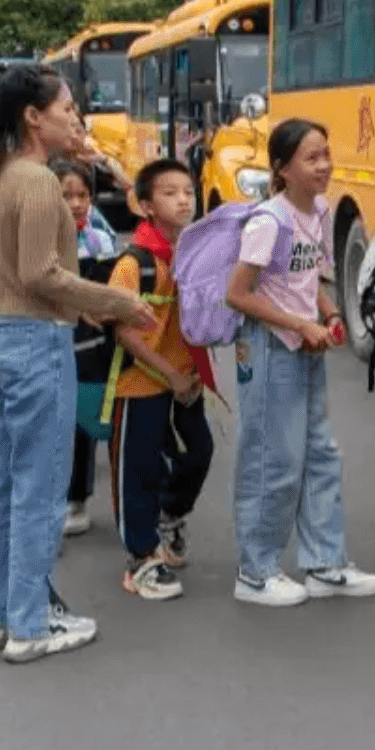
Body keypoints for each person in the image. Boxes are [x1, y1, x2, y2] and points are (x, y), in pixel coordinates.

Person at [0, 61, 155, 664]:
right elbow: (41, 274)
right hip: (35, 343)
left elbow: (22, 273)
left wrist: (86, 305)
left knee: (6, 488)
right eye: (66, 107)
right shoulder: (38, 181)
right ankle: (30, 625)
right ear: (32, 116)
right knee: (40, 492)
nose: (75, 117)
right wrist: (116, 300)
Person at [226, 119, 375, 607]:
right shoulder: (267, 222)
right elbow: (238, 295)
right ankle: (255, 573)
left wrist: (330, 312)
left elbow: (304, 278)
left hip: (304, 347)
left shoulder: (317, 211)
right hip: (271, 350)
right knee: (272, 461)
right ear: (282, 169)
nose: (325, 166)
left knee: (319, 455)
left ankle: (324, 563)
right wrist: (299, 325)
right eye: (312, 158)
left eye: (326, 154)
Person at [107, 158, 215, 601]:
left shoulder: (194, 253)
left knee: (199, 452)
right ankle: (142, 558)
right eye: (170, 193)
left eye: (188, 191)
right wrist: (169, 373)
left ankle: (169, 517)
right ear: (146, 206)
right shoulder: (135, 264)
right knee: (139, 470)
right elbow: (124, 330)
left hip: (184, 381)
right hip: (142, 384)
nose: (184, 199)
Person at [53, 157, 115, 538]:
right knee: (54, 424)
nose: (76, 203)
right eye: (66, 195)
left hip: (92, 346)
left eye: (83, 195)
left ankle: (79, 499)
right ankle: (55, 498)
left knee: (87, 420)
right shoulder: (37, 241)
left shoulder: (99, 240)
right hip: (50, 341)